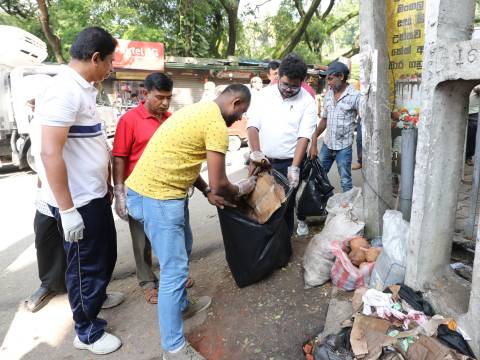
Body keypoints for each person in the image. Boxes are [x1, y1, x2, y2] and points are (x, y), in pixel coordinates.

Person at [125, 84, 256, 360]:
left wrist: (207, 190)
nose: (238, 120)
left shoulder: (199, 111)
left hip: (153, 191)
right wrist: (243, 188)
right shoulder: (217, 125)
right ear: (234, 102)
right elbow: (223, 184)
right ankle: (173, 349)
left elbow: (188, 159)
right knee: (174, 271)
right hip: (159, 198)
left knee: (183, 249)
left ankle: (182, 305)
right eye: (240, 113)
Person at [37, 27, 123, 355]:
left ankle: (95, 297)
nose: (111, 68)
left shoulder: (84, 86)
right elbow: (49, 152)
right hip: (78, 201)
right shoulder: (64, 90)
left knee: (104, 255)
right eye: (110, 61)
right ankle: (86, 330)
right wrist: (67, 210)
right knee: (84, 265)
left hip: (93, 193)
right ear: (95, 58)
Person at [112, 72, 193, 304]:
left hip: (170, 190)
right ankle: (147, 282)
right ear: (145, 93)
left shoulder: (171, 119)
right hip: (140, 192)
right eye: (160, 97)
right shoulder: (129, 120)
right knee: (142, 241)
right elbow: (119, 157)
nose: (165, 103)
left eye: (169, 97)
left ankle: (176, 276)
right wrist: (119, 193)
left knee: (178, 236)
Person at [247, 53, 317, 238]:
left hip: (289, 164)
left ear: (302, 82)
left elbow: (304, 137)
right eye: (285, 84)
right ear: (278, 77)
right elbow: (253, 125)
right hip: (263, 162)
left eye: (294, 86)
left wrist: (294, 167)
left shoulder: (308, 102)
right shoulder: (264, 95)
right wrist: (256, 154)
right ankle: (266, 244)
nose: (288, 89)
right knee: (262, 204)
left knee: (285, 207)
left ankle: (283, 247)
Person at [25, 97, 67, 313]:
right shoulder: (35, 122)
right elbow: (39, 159)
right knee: (45, 239)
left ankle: (91, 289)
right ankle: (49, 285)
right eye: (30, 103)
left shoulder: (63, 116)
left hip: (68, 193)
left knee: (80, 243)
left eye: (34, 102)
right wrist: (40, 183)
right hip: (45, 195)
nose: (31, 107)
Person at [310, 61, 361, 194]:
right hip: (327, 145)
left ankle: (347, 212)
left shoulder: (355, 97)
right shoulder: (328, 95)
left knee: (345, 181)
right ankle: (325, 203)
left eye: (331, 79)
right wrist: (314, 140)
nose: (329, 83)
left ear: (341, 77)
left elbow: (365, 121)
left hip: (344, 147)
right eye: (327, 79)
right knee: (319, 176)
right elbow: (324, 120)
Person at [466, 86, 480, 166]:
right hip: (461, 109)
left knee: (472, 137)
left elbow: (477, 89)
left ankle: (468, 156)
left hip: (474, 113)